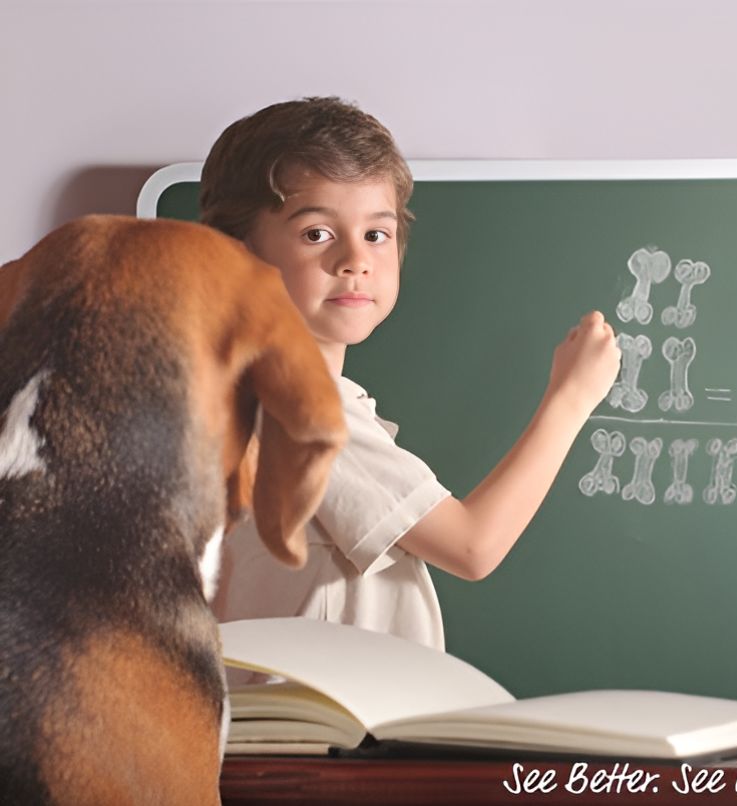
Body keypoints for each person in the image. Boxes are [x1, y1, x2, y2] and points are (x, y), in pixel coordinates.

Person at [203, 97, 621, 652]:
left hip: (318, 725)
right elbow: (473, 548)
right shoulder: (299, 409)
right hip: (319, 732)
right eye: (316, 234)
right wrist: (571, 398)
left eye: (377, 234)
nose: (356, 259)